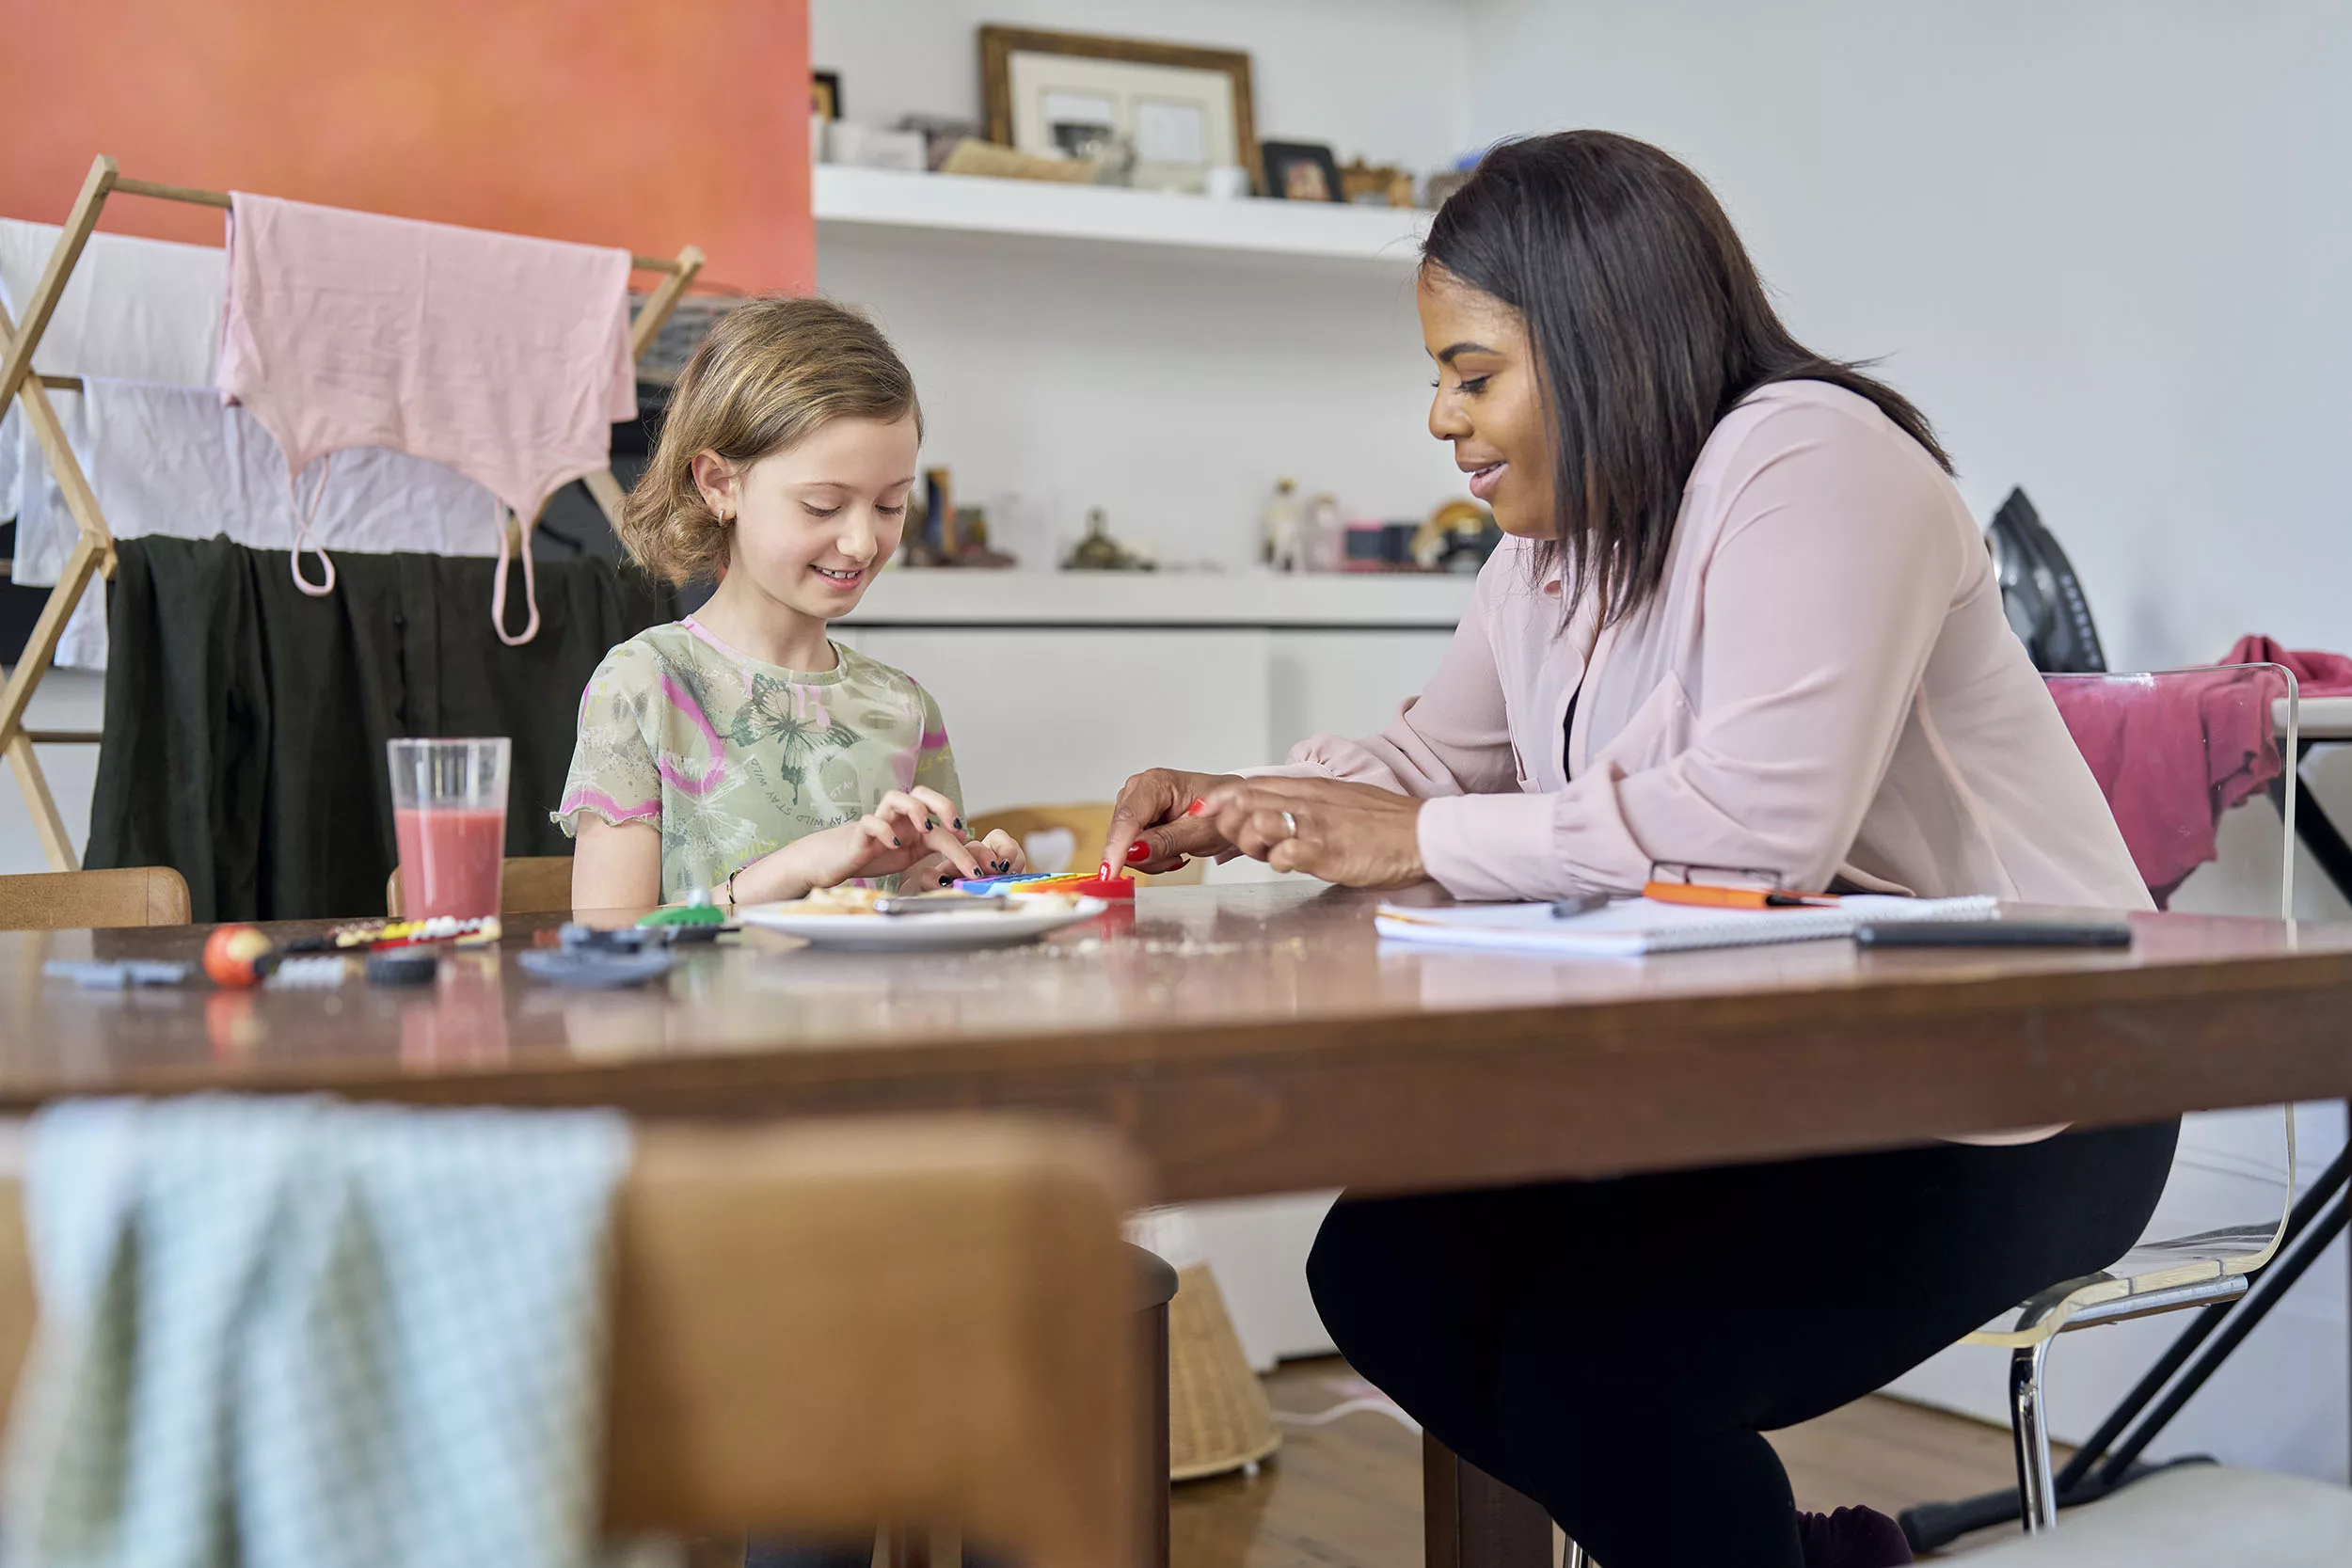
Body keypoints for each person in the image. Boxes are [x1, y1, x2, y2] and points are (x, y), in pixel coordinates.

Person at [1103, 132, 2174, 1568]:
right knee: (1388, 1266)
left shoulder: (1815, 460)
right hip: (1782, 1075)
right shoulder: (1549, 555)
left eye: (1472, 373)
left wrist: (1411, 832)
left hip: (2018, 1082)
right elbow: (1437, 764)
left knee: (1601, 1375)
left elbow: (1756, 821)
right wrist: (1255, 803)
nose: (1440, 419)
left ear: (1600, 338)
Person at [558, 296, 1024, 911]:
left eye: (890, 505)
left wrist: (952, 886)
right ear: (720, 485)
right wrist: (795, 869)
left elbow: (909, 922)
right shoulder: (644, 686)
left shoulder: (906, 709)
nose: (862, 541)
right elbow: (604, 950)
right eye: (823, 506)